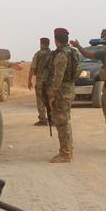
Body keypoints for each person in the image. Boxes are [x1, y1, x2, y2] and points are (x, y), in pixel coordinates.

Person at [45, 28, 80, 163]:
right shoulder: (74, 52)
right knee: (65, 121)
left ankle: (65, 153)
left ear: (56, 40)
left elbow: (58, 77)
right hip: (69, 89)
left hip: (62, 92)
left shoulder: (62, 55)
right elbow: (78, 70)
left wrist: (52, 94)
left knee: (62, 122)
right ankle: (68, 149)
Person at [28, 37, 52, 126]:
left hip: (40, 81)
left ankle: (43, 119)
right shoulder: (53, 54)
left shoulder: (38, 54)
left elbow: (32, 68)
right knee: (50, 99)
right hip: (50, 82)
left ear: (41, 44)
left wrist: (29, 80)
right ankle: (52, 119)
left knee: (40, 100)